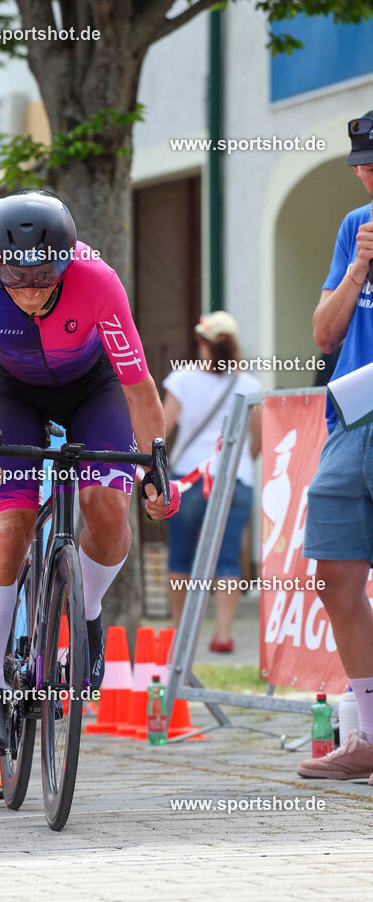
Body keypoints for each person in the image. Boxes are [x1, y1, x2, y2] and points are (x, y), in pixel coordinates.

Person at [0, 188, 180, 754]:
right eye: (15, 281)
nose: (28, 294)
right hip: (12, 393)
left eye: (43, 279)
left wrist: (156, 467)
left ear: (67, 260)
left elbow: (138, 385)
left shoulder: (98, 280)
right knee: (8, 526)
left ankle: (89, 612)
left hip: (91, 387)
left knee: (106, 501)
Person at [297, 110, 373, 781]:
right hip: (352, 418)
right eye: (369, 164)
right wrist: (357, 268)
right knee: (334, 577)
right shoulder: (355, 229)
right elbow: (323, 336)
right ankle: (370, 734)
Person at [162, 312, 261, 653]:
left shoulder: (182, 379)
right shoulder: (250, 386)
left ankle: (179, 633)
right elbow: (257, 439)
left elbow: (161, 431)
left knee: (180, 557)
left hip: (189, 477)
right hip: (235, 478)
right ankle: (222, 634)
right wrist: (238, 462)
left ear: (203, 343)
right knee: (229, 558)